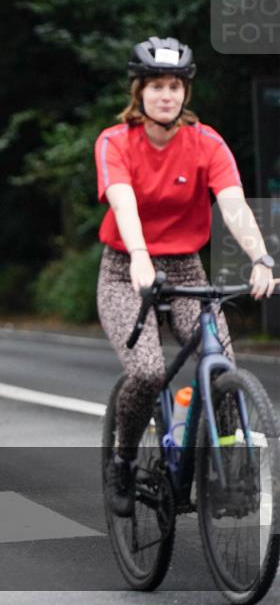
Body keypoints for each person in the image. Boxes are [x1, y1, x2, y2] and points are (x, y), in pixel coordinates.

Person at [96, 37, 275, 517]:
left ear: (185, 92)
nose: (166, 95)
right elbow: (123, 201)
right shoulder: (115, 142)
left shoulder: (206, 143)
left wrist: (261, 258)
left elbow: (233, 205)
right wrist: (137, 255)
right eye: (155, 86)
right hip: (124, 269)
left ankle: (232, 477)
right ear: (139, 92)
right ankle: (124, 459)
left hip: (186, 267)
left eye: (174, 85)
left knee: (222, 365)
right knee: (150, 372)